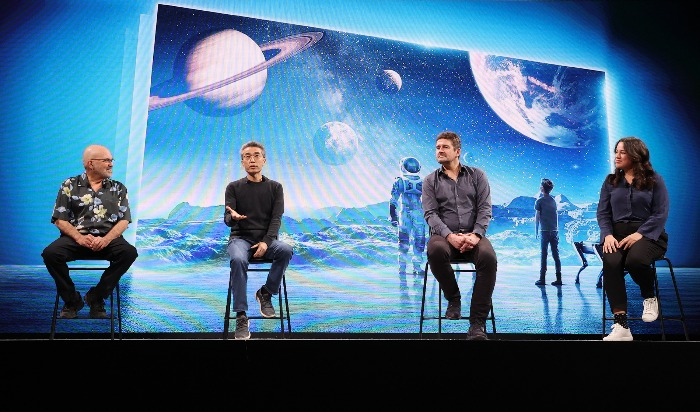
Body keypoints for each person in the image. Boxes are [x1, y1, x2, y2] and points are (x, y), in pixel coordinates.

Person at [42, 144, 138, 319]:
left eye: (111, 160)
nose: (111, 164)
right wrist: (79, 238)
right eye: (106, 160)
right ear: (90, 164)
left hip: (108, 239)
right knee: (50, 254)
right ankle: (72, 301)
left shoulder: (118, 188)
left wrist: (106, 240)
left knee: (129, 253)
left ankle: (96, 297)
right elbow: (59, 219)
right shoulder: (69, 185)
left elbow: (124, 221)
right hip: (75, 239)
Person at [422, 131, 498, 340]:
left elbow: (485, 209)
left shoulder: (477, 175)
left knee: (488, 258)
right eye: (437, 147)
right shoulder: (430, 181)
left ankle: (477, 325)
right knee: (435, 250)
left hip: (474, 235)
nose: (439, 151)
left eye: (444, 147)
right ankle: (453, 299)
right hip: (444, 237)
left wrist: (476, 235)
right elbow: (430, 214)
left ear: (457, 152)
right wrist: (449, 236)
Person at [597, 137, 669, 341]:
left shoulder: (655, 180)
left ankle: (649, 296)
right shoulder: (610, 181)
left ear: (636, 155)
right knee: (610, 261)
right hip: (616, 236)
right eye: (615, 152)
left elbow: (660, 214)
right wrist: (607, 235)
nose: (616, 156)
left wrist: (640, 234)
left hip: (649, 235)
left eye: (622, 152)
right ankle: (621, 326)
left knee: (635, 260)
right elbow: (603, 213)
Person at [224, 141, 294, 340]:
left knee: (286, 250)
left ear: (264, 160)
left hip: (266, 240)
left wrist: (265, 242)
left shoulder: (275, 187)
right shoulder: (233, 187)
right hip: (240, 240)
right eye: (247, 156)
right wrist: (233, 218)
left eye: (256, 155)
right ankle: (241, 316)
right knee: (238, 259)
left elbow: (276, 219)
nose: (252, 159)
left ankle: (266, 293)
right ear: (242, 162)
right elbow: (227, 218)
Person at [389, 156, 427, 278]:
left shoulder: (402, 182)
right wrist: (393, 216)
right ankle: (404, 267)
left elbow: (393, 201)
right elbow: (393, 200)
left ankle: (412, 267)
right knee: (409, 240)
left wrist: (393, 215)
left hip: (410, 214)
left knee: (418, 241)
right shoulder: (420, 182)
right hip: (413, 214)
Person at [534, 178, 562, 286]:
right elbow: (555, 216)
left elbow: (537, 218)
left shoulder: (539, 201)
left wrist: (536, 231)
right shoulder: (553, 201)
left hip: (544, 231)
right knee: (556, 255)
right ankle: (558, 278)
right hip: (554, 231)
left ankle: (542, 279)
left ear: (542, 188)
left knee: (544, 255)